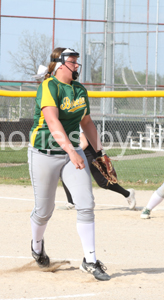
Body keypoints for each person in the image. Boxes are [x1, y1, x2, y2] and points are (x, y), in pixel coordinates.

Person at [28, 47, 110, 281]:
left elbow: (87, 122)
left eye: (76, 61)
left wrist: (100, 153)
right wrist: (71, 152)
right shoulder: (49, 86)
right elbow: (53, 122)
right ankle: (36, 246)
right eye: (72, 61)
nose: (76, 65)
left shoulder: (80, 90)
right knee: (44, 212)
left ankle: (91, 260)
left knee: (85, 203)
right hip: (44, 152)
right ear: (59, 64)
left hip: (72, 151)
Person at [62, 128, 136, 210]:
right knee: (65, 173)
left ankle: (128, 194)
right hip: (79, 152)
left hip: (89, 153)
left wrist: (72, 154)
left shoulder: (76, 120)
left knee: (102, 182)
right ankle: (71, 202)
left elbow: (84, 143)